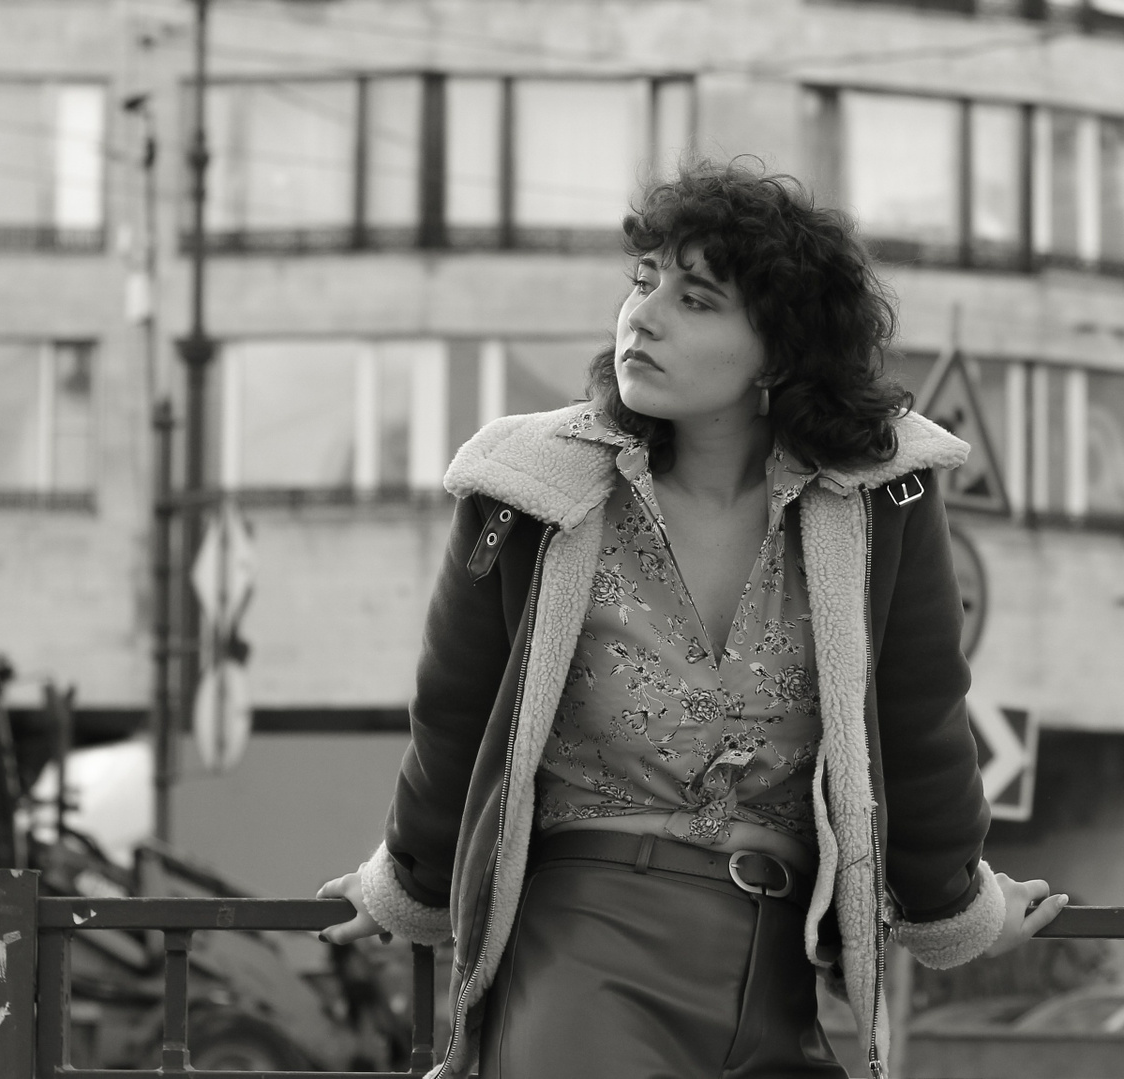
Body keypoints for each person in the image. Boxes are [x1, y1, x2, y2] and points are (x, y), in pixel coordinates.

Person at [317, 159, 1067, 1079]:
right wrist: (406, 884)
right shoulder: (532, 486)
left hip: (780, 973)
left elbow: (919, 723)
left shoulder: (878, 496)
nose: (644, 315)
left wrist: (959, 906)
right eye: (643, 282)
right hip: (583, 953)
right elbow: (458, 715)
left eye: (696, 299)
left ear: (780, 352)